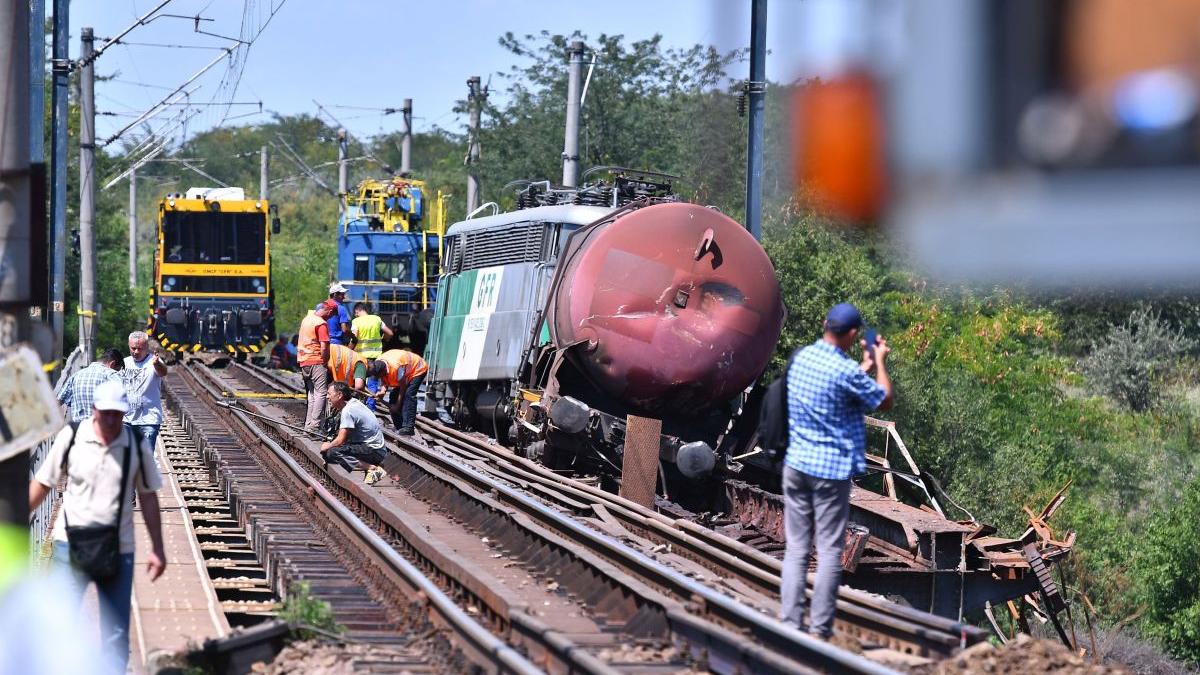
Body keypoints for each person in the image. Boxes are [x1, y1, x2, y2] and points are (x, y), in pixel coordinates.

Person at [29, 380, 167, 672]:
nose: (111, 419)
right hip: (69, 547)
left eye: (117, 414)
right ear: (94, 410)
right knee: (59, 626)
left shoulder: (135, 443)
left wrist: (157, 548)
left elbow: (148, 497)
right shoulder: (72, 437)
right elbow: (42, 483)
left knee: (116, 634)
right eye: (106, 413)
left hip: (119, 549)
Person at [779, 302, 893, 639]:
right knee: (829, 549)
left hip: (796, 465)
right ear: (854, 334)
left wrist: (865, 365)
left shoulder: (803, 358)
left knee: (797, 548)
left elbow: (838, 384)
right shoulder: (844, 372)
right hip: (829, 473)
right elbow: (883, 399)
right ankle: (820, 627)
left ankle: (789, 622)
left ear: (825, 324)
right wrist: (881, 364)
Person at [320, 382, 389, 485]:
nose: (327, 397)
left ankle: (372, 468)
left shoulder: (348, 410)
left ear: (339, 395)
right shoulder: (353, 403)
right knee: (331, 452)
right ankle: (370, 469)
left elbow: (340, 440)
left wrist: (327, 446)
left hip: (374, 451)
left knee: (332, 453)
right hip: (376, 449)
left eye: (329, 394)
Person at [122, 331, 169, 454]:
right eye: (133, 348)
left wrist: (157, 364)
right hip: (126, 419)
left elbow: (163, 372)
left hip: (148, 420)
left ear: (147, 347)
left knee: (145, 457)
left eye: (140, 349)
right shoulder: (124, 363)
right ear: (128, 346)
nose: (136, 352)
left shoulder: (153, 362)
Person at [367, 349, 428, 435]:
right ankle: (399, 426)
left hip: (417, 369)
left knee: (409, 394)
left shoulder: (396, 367)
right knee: (393, 396)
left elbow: (403, 387)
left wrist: (397, 405)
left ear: (383, 371)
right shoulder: (378, 364)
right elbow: (384, 379)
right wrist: (383, 391)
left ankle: (408, 427)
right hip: (406, 372)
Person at [57, 348, 124, 425]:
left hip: (79, 430)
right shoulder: (111, 374)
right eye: (117, 369)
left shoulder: (76, 375)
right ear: (112, 364)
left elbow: (58, 401)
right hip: (101, 431)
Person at [299, 301, 337, 431]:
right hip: (316, 360)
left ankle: (308, 425)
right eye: (331, 315)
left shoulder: (307, 319)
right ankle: (314, 425)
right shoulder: (321, 323)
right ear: (329, 311)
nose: (330, 317)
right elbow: (324, 346)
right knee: (321, 393)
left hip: (304, 360)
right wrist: (325, 361)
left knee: (312, 393)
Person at [350, 302, 393, 409]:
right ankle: (371, 408)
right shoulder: (377, 319)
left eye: (356, 313)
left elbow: (354, 337)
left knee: (360, 382)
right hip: (376, 357)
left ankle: (360, 407)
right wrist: (384, 340)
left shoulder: (356, 321)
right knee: (373, 383)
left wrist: (348, 350)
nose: (356, 315)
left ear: (357, 311)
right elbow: (390, 333)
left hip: (361, 358)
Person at [315, 282, 353, 346]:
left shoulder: (319, 306)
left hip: (322, 342)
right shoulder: (341, 308)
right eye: (342, 294)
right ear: (335, 295)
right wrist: (353, 336)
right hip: (336, 343)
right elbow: (344, 329)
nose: (344, 297)